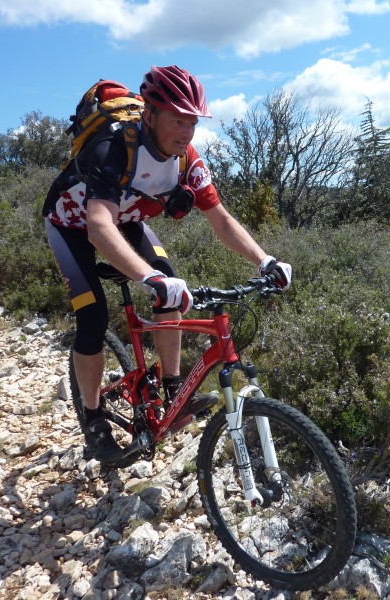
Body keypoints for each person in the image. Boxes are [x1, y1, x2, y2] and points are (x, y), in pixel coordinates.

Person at [43, 65, 292, 463]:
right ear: (149, 114)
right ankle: (93, 419)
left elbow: (222, 219)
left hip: (126, 221)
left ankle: (173, 387)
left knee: (173, 291)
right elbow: (98, 224)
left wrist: (265, 260)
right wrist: (147, 276)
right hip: (71, 224)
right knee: (93, 317)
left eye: (192, 121)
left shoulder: (185, 158)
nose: (186, 131)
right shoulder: (113, 146)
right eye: (178, 119)